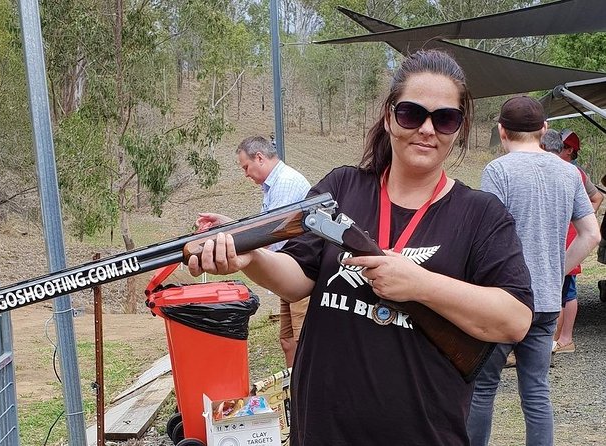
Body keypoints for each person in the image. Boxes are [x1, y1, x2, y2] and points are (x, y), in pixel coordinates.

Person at [189, 49, 534, 445]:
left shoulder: (481, 214)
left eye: (445, 118)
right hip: (324, 428)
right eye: (411, 113)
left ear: (459, 128)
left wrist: (421, 285)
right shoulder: (342, 188)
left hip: (424, 432)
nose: (426, 129)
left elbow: (515, 319)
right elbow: (298, 279)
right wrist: (250, 256)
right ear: (389, 116)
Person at [468, 97, 600, 446]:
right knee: (536, 391)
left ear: (501, 130)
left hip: (504, 298)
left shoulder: (499, 171)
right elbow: (592, 234)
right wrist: (557, 272)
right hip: (546, 299)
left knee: (482, 388)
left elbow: (486, 237)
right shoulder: (569, 172)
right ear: (544, 130)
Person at [197, 135, 311, 368]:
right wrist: (227, 225)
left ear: (259, 157)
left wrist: (232, 244)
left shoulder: (286, 183)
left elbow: (270, 235)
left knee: (304, 341)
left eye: (246, 167)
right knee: (288, 340)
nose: (246, 174)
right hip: (285, 271)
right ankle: (292, 394)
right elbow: (262, 229)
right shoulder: (273, 186)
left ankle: (306, 395)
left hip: (301, 271)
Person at [540, 129, 602, 354]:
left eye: (563, 146)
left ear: (569, 150)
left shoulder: (574, 172)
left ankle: (560, 340)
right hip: (563, 235)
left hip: (568, 238)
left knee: (564, 291)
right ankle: (559, 340)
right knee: (563, 290)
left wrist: (580, 219)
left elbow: (596, 198)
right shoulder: (565, 170)